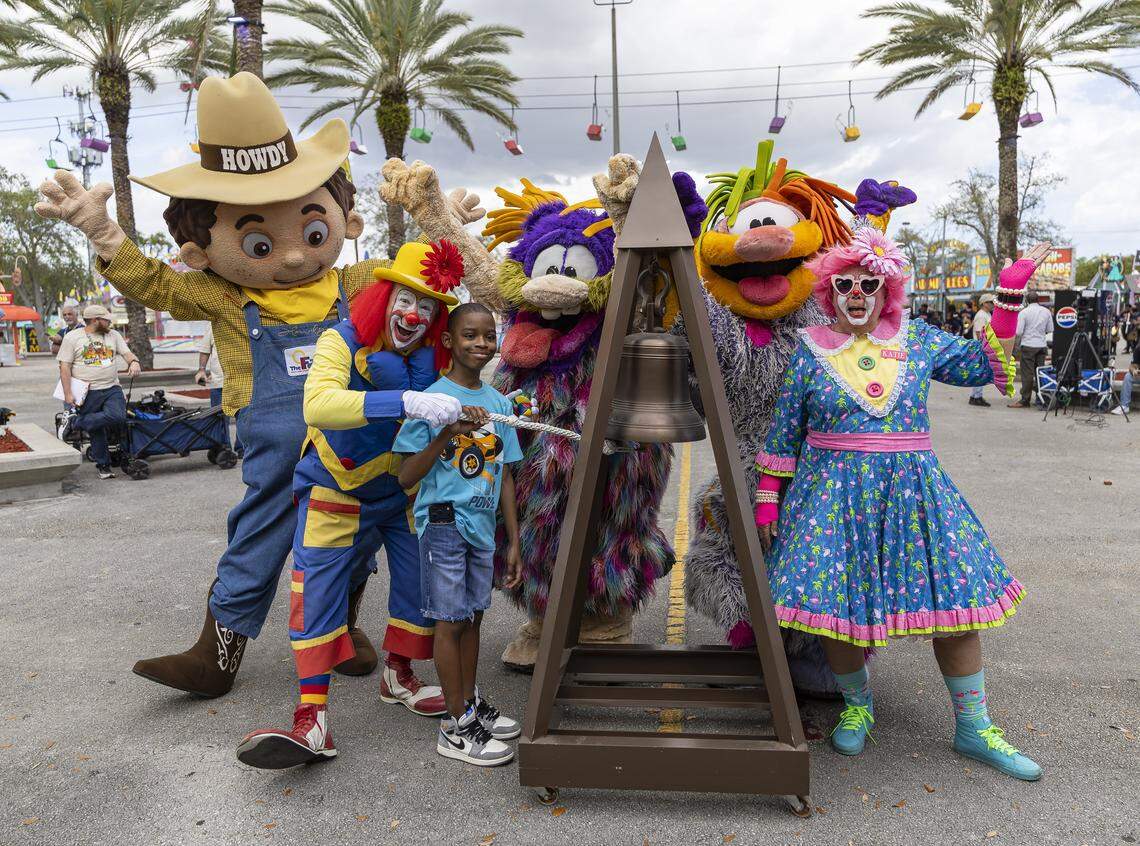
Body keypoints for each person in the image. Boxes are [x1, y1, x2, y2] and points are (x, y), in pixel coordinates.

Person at [35, 72, 478, 698]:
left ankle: (342, 633)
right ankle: (216, 656)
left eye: (312, 232)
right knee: (259, 534)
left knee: (358, 534)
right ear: (201, 248)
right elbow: (157, 287)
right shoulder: (223, 294)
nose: (295, 256)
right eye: (261, 241)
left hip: (356, 436)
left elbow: (418, 293)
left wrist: (443, 232)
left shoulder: (359, 285)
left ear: (345, 222)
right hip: (274, 446)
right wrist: (104, 234)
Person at [754, 229, 1051, 782]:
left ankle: (973, 726)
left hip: (915, 494)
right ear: (829, 291)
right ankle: (859, 706)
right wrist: (769, 501)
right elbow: (784, 430)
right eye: (846, 283)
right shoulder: (810, 351)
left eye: (870, 283)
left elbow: (980, 367)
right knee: (837, 617)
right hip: (830, 500)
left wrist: (1008, 298)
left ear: (888, 289)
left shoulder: (920, 340)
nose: (858, 293)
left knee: (956, 605)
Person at [235, 240, 467, 770]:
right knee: (316, 591)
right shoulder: (340, 340)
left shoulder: (434, 355)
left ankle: (399, 674)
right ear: (383, 297)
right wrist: (402, 401)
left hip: (401, 492)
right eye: (406, 300)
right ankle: (311, 716)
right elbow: (317, 404)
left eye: (428, 307)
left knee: (420, 582)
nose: (414, 315)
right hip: (334, 489)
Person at [393, 302, 524, 767]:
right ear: (449, 341)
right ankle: (455, 726)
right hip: (445, 523)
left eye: (489, 336)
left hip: (484, 528)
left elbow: (506, 473)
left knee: (473, 619)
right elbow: (407, 477)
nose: (481, 344)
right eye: (471, 335)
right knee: (450, 623)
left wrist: (515, 540)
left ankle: (469, 704)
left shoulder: (500, 404)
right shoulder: (433, 400)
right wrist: (448, 432)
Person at [55, 304, 140, 479]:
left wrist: (134, 362)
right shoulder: (72, 338)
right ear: (95, 320)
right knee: (97, 429)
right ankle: (103, 466)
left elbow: (127, 353)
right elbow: (64, 367)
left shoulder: (114, 335)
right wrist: (68, 393)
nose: (109, 322)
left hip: (111, 388)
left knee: (118, 417)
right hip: (87, 391)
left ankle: (76, 422)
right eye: (106, 319)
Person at [194, 324, 242, 454]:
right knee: (219, 418)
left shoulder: (244, 320)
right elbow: (205, 349)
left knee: (243, 416)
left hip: (242, 381)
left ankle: (243, 448)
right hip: (219, 381)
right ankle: (224, 448)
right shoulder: (213, 324)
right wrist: (201, 370)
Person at [1009, 292, 1052, 408]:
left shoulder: (1024, 313)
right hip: (1041, 346)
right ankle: (1041, 398)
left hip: (1028, 346)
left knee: (1027, 374)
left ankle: (1025, 400)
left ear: (1027, 301)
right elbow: (1050, 329)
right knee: (1040, 373)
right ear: (1038, 299)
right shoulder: (1046, 311)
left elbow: (1018, 332)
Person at [968, 294, 996, 406]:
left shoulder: (987, 314)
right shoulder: (981, 315)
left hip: (985, 346)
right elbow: (979, 333)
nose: (993, 304)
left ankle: (975, 396)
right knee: (980, 372)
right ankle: (976, 397)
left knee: (981, 372)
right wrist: (986, 347)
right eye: (991, 302)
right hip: (982, 347)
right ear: (984, 303)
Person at [1111, 342, 1139, 415]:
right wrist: (1134, 371)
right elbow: (1131, 366)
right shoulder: (1138, 349)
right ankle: (1124, 406)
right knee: (1128, 376)